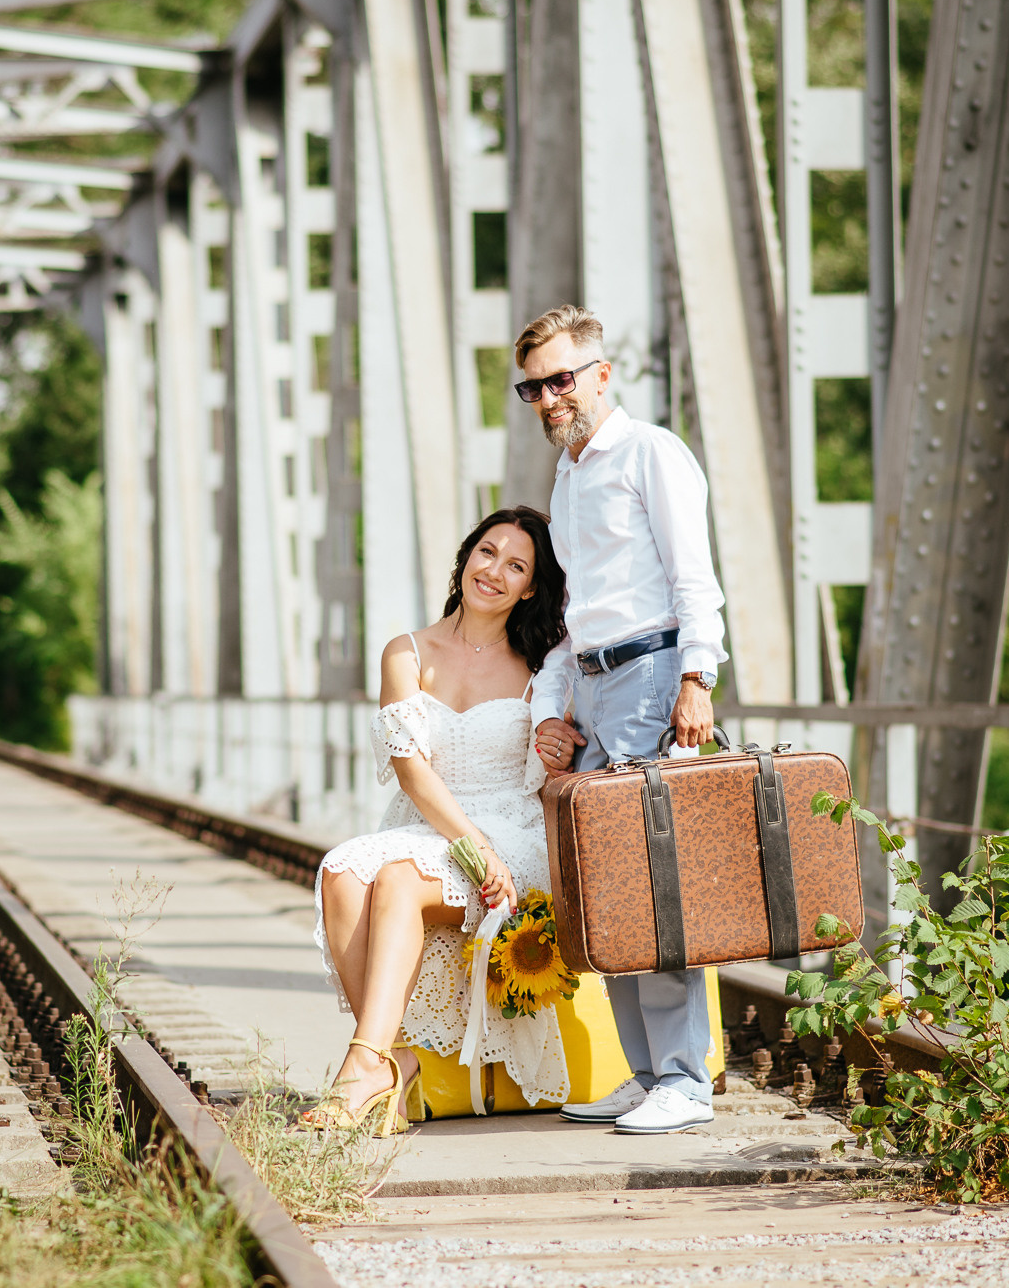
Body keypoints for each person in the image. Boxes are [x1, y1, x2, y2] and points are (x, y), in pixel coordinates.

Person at [520, 303, 731, 1135]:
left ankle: (685, 1077)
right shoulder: (569, 476)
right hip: (599, 684)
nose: (548, 397)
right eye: (533, 386)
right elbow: (577, 611)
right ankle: (644, 1074)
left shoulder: (651, 453)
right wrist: (557, 703)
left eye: (561, 379)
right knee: (605, 881)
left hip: (651, 673)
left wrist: (696, 676)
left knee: (655, 882)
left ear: (601, 375)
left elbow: (693, 576)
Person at [306, 506, 569, 1137]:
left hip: (512, 830)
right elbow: (412, 772)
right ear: (465, 558)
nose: (495, 572)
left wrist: (555, 741)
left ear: (530, 586)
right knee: (340, 869)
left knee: (398, 878)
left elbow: (559, 754)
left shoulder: (544, 664)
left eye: (516, 566)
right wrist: (472, 848)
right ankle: (389, 1058)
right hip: (436, 823)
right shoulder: (407, 652)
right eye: (487, 553)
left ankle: (363, 1069)